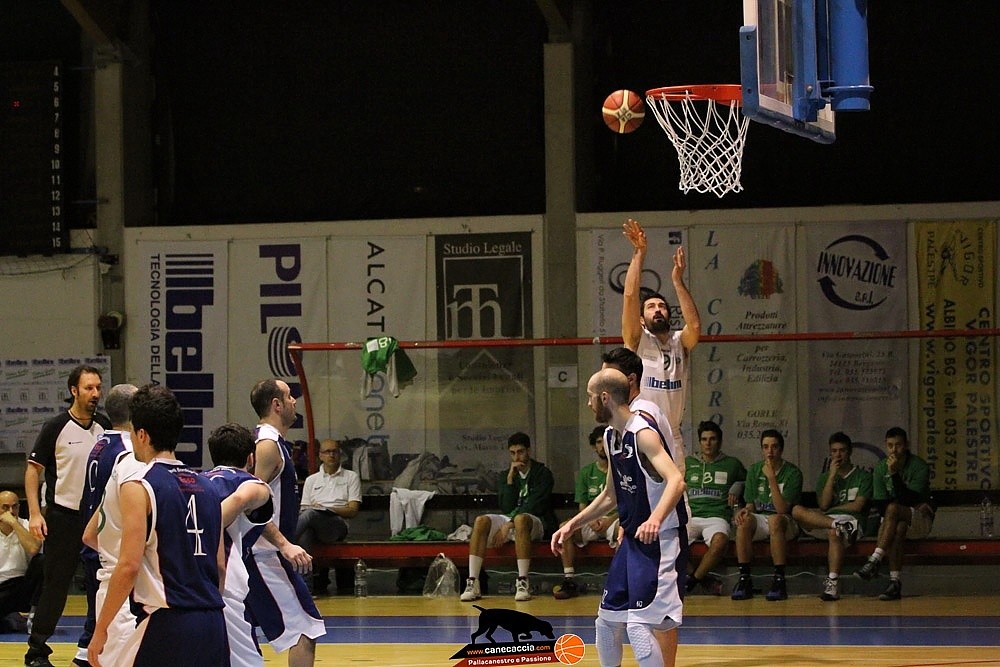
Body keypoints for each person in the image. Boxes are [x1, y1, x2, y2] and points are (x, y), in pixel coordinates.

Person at [552, 368, 686, 667]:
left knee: (639, 627)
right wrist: (572, 524)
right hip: (631, 544)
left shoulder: (643, 433)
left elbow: (676, 480)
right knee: (607, 622)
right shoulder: (611, 436)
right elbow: (609, 495)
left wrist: (655, 519)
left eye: (590, 397)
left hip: (658, 543)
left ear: (605, 398)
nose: (588, 403)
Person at [87, 384, 228, 667]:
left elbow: (129, 566)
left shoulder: (139, 486)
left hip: (169, 622)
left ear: (141, 434)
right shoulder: (209, 488)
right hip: (214, 623)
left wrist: (100, 628)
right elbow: (220, 566)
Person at [24, 364, 110, 667]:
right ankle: (36, 651)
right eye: (89, 388)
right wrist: (35, 513)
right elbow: (32, 471)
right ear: (74, 390)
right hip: (63, 518)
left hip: (97, 519)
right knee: (56, 586)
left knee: (100, 584)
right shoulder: (56, 426)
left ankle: (91, 650)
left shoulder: (105, 426)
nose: (95, 393)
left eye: (98, 387)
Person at [246, 379, 325, 667]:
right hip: (264, 555)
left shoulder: (274, 443)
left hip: (260, 554)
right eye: (290, 396)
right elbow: (249, 503)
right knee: (306, 629)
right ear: (276, 405)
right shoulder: (267, 445)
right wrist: (284, 544)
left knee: (240, 636)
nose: (294, 402)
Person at [621, 217, 701, 466]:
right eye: (651, 307)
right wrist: (639, 254)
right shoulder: (638, 339)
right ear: (641, 319)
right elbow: (630, 296)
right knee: (646, 489)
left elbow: (695, 326)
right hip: (644, 429)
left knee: (677, 489)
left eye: (662, 306)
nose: (657, 309)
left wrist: (677, 281)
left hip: (673, 433)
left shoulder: (680, 341)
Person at [81, 384, 144, 667]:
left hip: (99, 544)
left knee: (95, 640)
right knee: (112, 642)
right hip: (117, 554)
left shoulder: (100, 444)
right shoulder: (129, 452)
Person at [201, 423, 274, 667]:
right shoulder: (251, 485)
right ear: (251, 458)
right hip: (224, 583)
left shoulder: (195, 482)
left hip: (183, 580)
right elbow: (239, 499)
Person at [460, 432, 558, 603]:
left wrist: (509, 524)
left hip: (536, 521)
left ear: (529, 451)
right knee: (481, 521)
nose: (516, 457)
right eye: (512, 453)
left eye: (520, 452)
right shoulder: (506, 475)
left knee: (520, 519)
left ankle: (522, 582)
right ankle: (473, 582)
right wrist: (510, 480)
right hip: (512, 520)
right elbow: (506, 507)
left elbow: (536, 505)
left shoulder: (543, 473)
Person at [855, 426, 933, 601]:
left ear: (906, 445)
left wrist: (895, 474)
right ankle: (894, 582)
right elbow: (880, 505)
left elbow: (910, 500)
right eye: (890, 445)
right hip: (894, 522)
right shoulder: (880, 468)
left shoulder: (919, 466)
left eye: (898, 445)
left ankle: (875, 559)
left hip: (920, 519)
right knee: (898, 526)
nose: (894, 450)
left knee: (894, 509)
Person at [791, 432, 871, 601]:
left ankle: (832, 583)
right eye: (834, 451)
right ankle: (836, 524)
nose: (838, 455)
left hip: (851, 522)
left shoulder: (863, 476)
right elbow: (824, 505)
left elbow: (858, 505)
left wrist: (832, 511)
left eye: (842, 450)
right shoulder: (825, 477)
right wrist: (832, 476)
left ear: (849, 452)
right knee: (797, 510)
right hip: (828, 522)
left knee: (834, 533)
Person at [730, 429, 803, 602]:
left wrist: (771, 478)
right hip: (762, 518)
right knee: (743, 522)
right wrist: (744, 511)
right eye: (765, 447)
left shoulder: (793, 473)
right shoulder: (755, 470)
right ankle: (744, 578)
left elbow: (782, 509)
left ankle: (779, 580)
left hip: (786, 521)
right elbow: (751, 504)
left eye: (774, 447)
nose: (770, 452)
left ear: (781, 449)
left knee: (775, 519)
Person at [551, 426, 619, 600]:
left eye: (605, 442)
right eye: (599, 442)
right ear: (594, 446)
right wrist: (590, 520)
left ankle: (620, 583)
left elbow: (626, 503)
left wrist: (609, 520)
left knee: (625, 529)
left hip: (614, 520)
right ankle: (569, 580)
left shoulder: (621, 469)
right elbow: (582, 505)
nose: (602, 446)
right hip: (592, 520)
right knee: (565, 528)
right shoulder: (586, 473)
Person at [684, 421, 746, 596]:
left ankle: (691, 582)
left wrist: (738, 486)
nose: (708, 443)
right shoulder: (688, 463)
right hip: (691, 516)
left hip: (717, 517)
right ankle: (703, 580)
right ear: (699, 442)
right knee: (670, 541)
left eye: (712, 439)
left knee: (720, 541)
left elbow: (749, 481)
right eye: (704, 439)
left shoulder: (732, 464)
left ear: (720, 441)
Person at [296, 438, 361, 596]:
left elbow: (353, 510)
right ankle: (306, 590)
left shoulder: (351, 477)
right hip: (314, 525)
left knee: (311, 514)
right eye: (327, 452)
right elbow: (304, 508)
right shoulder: (312, 480)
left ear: (340, 454)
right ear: (320, 455)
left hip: (338, 526)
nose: (331, 455)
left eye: (334, 451)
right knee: (306, 533)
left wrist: (328, 509)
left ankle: (284, 542)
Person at [0, 491, 42, 633]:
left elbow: (33, 549)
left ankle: (34, 616)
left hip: (21, 586)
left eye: (15, 507)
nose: (11, 511)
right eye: (5, 507)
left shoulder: (28, 525)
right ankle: (8, 619)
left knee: (42, 561)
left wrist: (14, 523)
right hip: (1, 586)